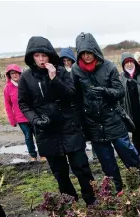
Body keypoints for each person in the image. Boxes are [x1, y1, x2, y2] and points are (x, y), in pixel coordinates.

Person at [18, 36, 96, 205]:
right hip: (47, 132)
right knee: (60, 173)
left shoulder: (61, 71)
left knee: (82, 168)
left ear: (49, 56)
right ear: (31, 57)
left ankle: (92, 200)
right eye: (37, 56)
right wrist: (36, 120)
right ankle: (71, 203)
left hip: (70, 127)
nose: (41, 59)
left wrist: (54, 79)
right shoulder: (26, 77)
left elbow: (71, 94)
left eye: (44, 55)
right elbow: (24, 104)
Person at [72, 32, 140, 192]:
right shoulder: (76, 70)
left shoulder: (108, 67)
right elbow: (76, 97)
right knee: (107, 162)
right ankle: (117, 190)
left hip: (113, 119)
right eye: (83, 53)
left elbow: (120, 91)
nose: (87, 56)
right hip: (93, 124)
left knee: (130, 155)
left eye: (89, 52)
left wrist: (105, 92)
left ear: (95, 51)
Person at [3, 64, 40, 162]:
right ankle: (33, 156)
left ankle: (43, 154)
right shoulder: (7, 88)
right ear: (9, 75)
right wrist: (12, 119)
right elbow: (8, 105)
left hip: (33, 115)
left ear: (20, 73)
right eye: (12, 73)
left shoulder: (27, 83)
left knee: (38, 135)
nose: (14, 75)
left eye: (16, 73)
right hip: (20, 118)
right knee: (28, 136)